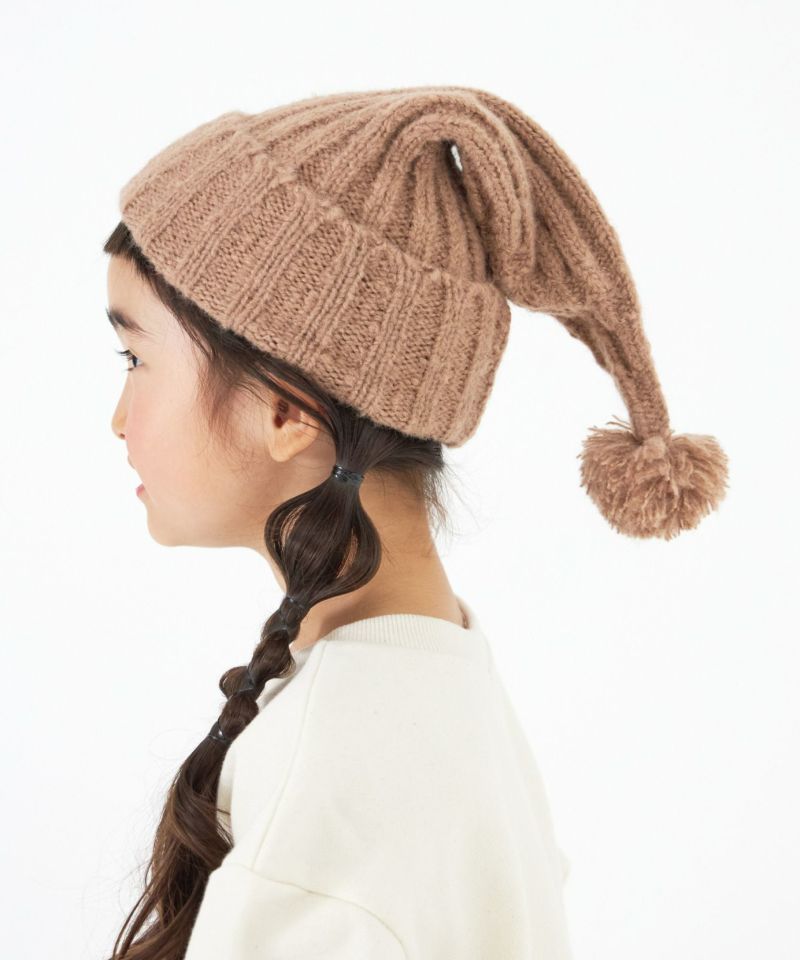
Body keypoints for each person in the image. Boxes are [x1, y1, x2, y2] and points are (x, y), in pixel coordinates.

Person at [102, 85, 729, 960]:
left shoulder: (332, 793)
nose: (118, 419)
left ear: (286, 411)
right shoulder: (441, 685)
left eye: (134, 357)